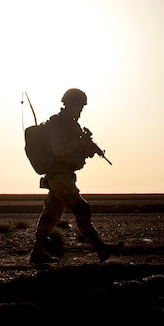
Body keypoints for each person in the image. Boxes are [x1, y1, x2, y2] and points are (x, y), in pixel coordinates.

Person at [30, 88, 120, 265]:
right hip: (59, 176)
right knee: (82, 208)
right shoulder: (59, 125)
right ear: (71, 105)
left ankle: (37, 251)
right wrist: (80, 142)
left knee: (52, 214)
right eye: (79, 107)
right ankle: (100, 248)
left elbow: (71, 152)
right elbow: (59, 150)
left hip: (64, 176)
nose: (80, 111)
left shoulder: (69, 125)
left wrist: (88, 150)